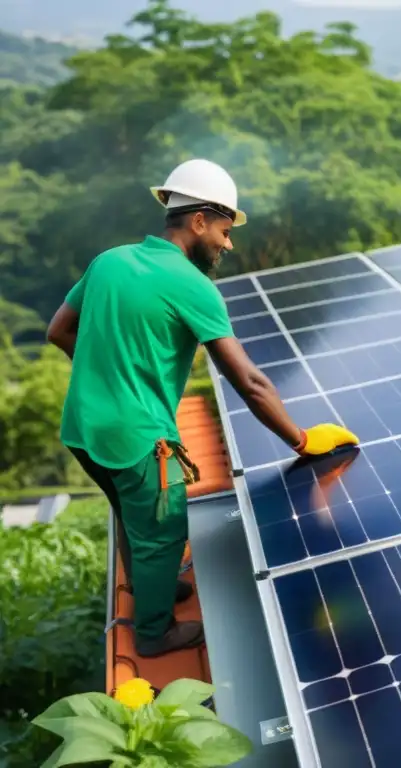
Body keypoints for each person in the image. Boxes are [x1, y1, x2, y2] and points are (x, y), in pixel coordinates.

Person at [46, 158, 359, 658]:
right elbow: (251, 383)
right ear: (198, 221)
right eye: (224, 229)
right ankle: (154, 633)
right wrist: (300, 440)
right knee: (162, 529)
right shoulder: (193, 287)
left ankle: (156, 586)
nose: (227, 243)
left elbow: (59, 330)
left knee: (131, 514)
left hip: (83, 426)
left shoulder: (109, 261)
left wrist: (106, 375)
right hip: (136, 437)